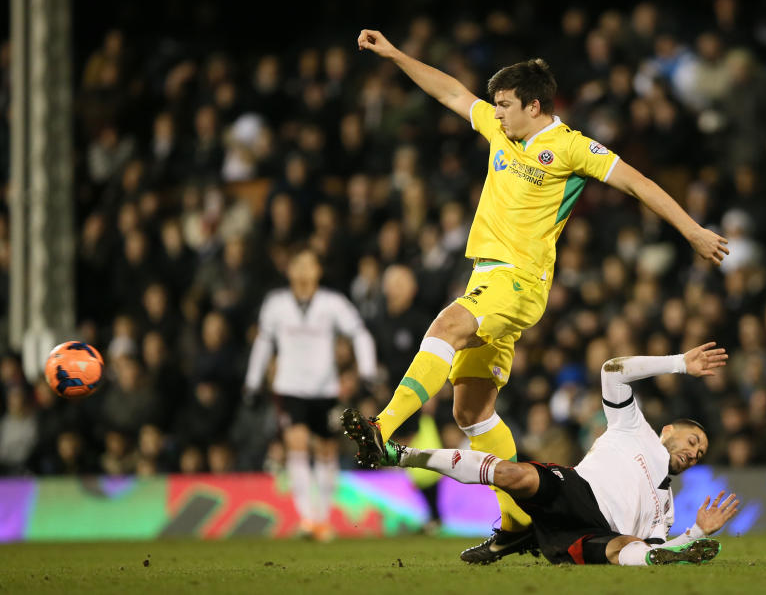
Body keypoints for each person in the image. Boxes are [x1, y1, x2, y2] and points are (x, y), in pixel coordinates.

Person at [342, 28, 729, 564]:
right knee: (471, 412)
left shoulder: (570, 147)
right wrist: (394, 54)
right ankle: (515, 526)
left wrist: (690, 230)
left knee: (447, 327)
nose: (494, 114)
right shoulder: (501, 132)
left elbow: (639, 183)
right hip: (488, 278)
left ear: (533, 105)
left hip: (518, 282)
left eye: (503, 105)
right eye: (495, 105)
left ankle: (382, 427)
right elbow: (451, 92)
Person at [376, 342, 739, 566]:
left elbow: (658, 549)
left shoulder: (667, 507)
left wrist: (695, 533)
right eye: (693, 442)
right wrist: (678, 363)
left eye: (701, 453)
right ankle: (401, 455)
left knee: (629, 549)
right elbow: (612, 371)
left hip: (593, 534)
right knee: (514, 475)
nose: (695, 453)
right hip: (577, 490)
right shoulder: (634, 426)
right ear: (669, 431)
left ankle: (523, 537)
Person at [244, 247, 377, 540]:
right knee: (297, 445)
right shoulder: (275, 304)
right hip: (289, 388)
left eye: (309, 265)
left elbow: (360, 333)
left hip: (324, 389)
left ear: (318, 270)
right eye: (298, 265)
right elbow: (264, 343)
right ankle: (307, 519)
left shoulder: (332, 303)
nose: (303, 271)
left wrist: (366, 372)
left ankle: (322, 518)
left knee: (327, 451)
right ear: (289, 270)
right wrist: (252, 382)